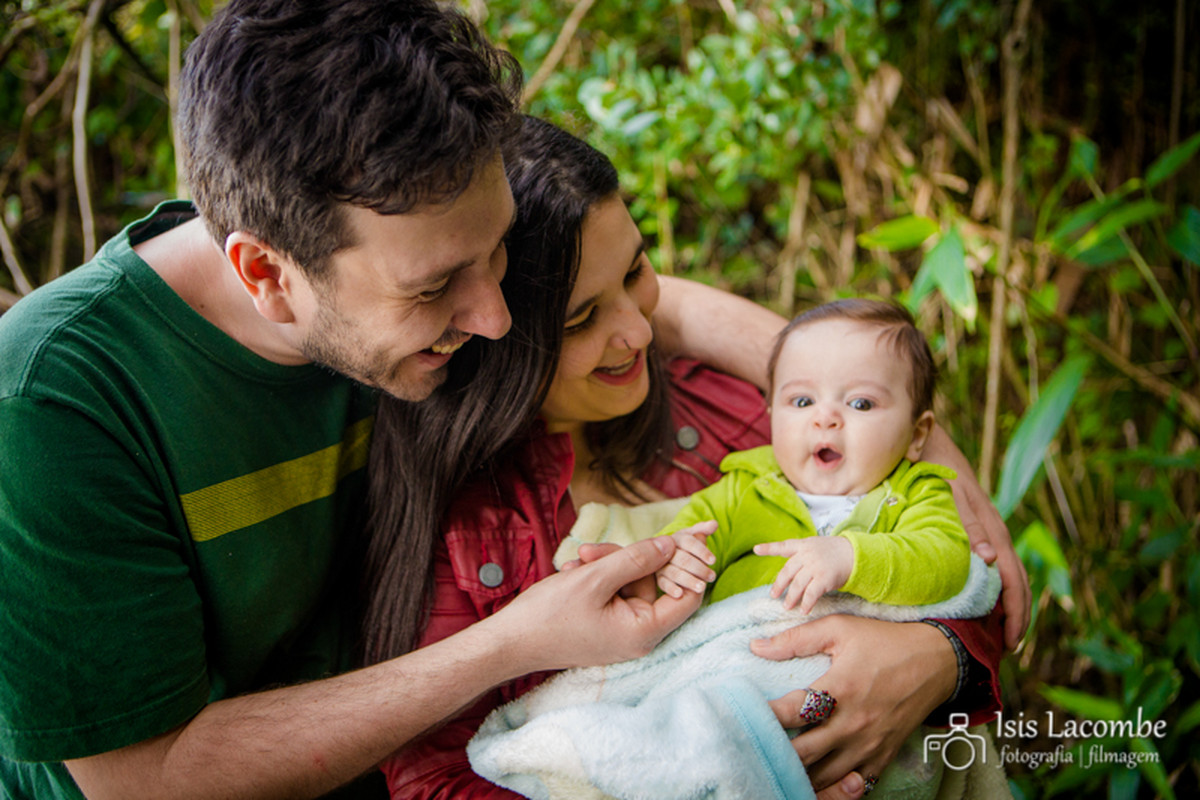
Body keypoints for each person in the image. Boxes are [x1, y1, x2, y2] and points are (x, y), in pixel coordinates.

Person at [0, 3, 773, 798]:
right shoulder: (54, 403)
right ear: (267, 275)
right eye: (436, 287)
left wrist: (855, 398)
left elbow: (616, 296)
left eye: (498, 249)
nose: (494, 319)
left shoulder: (392, 282)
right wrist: (515, 642)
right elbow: (146, 780)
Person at [365, 117, 1018, 800]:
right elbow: (435, 780)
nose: (640, 331)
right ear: (490, 332)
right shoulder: (463, 529)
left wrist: (935, 660)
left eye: (637, 271)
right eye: (582, 319)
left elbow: (965, 570)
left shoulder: (737, 409)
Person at [655, 298, 970, 617]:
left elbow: (946, 561)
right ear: (771, 415)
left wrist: (851, 558)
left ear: (917, 435)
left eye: (860, 403)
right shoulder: (744, 486)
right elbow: (685, 533)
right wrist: (679, 556)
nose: (825, 418)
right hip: (740, 651)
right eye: (803, 401)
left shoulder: (914, 492)